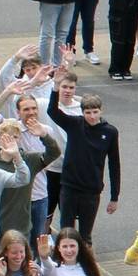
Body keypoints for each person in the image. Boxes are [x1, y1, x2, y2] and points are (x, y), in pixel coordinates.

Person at [45, 92, 122, 241]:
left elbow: (114, 165)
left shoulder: (110, 132)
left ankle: (85, 262)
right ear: (82, 112)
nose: (92, 116)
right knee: (66, 233)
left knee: (86, 236)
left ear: (101, 111)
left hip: (91, 191)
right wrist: (55, 88)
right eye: (88, 112)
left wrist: (114, 197)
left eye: (95, 112)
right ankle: (66, 262)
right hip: (69, 188)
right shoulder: (74, 124)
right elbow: (52, 111)